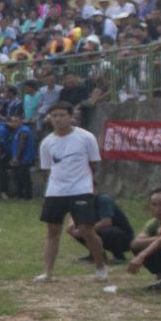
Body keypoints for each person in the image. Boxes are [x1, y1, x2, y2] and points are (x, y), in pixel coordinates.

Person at [36, 102, 105, 283]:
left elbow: (94, 164)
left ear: (71, 116)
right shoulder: (47, 142)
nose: (58, 119)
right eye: (54, 116)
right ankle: (48, 272)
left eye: (62, 115)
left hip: (80, 189)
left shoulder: (86, 137)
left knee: (86, 230)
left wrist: (84, 182)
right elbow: (46, 168)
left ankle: (100, 268)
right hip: (55, 191)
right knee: (52, 230)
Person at [68, 192, 135, 264]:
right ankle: (95, 254)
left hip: (124, 237)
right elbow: (74, 212)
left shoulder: (103, 200)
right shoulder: (83, 200)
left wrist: (85, 230)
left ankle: (119, 256)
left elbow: (106, 222)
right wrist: (71, 224)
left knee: (104, 231)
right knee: (78, 228)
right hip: (103, 231)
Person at [8, 112, 38, 202]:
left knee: (24, 177)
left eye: (16, 121)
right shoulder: (17, 131)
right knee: (17, 177)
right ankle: (20, 195)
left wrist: (17, 157)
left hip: (24, 159)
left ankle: (27, 196)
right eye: (12, 122)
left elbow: (22, 145)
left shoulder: (24, 130)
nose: (13, 123)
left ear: (21, 121)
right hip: (19, 158)